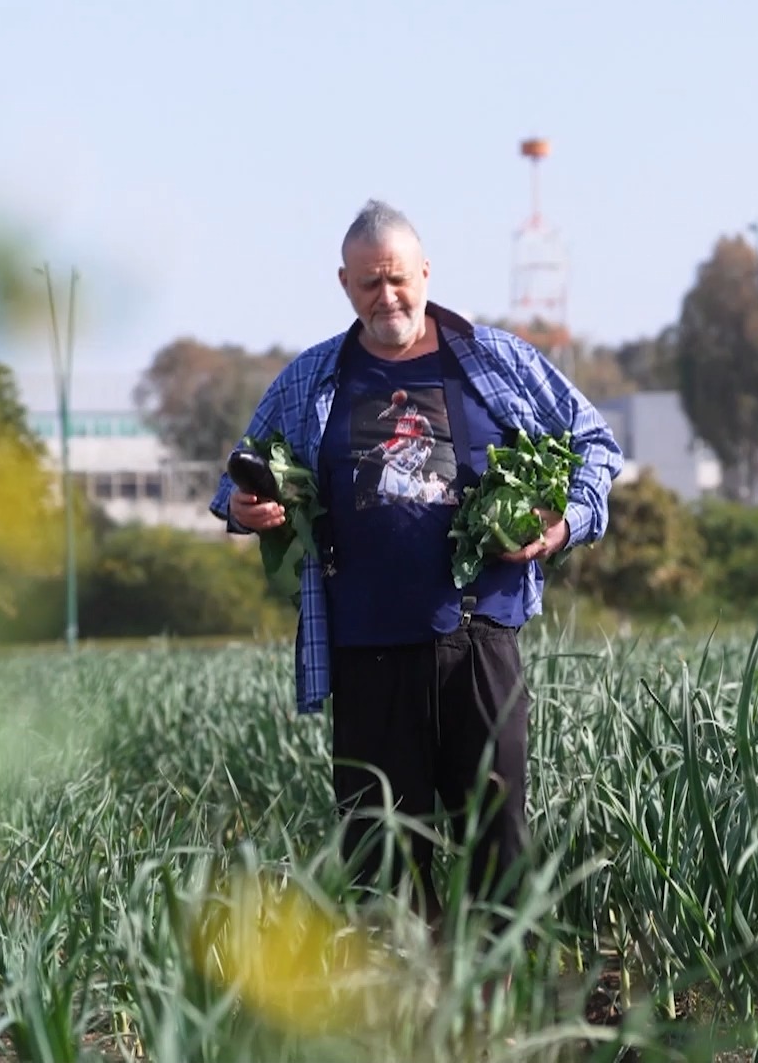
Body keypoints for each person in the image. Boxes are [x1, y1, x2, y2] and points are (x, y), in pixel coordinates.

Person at [209, 200, 624, 926]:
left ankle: (498, 1014)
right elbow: (235, 480)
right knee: (379, 857)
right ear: (344, 284)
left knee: (497, 845)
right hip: (366, 652)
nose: (386, 298)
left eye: (398, 279)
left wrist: (562, 527)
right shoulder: (311, 379)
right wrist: (245, 511)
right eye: (368, 284)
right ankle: (400, 1014)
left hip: (478, 642)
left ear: (425, 272)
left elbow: (595, 442)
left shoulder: (495, 359)